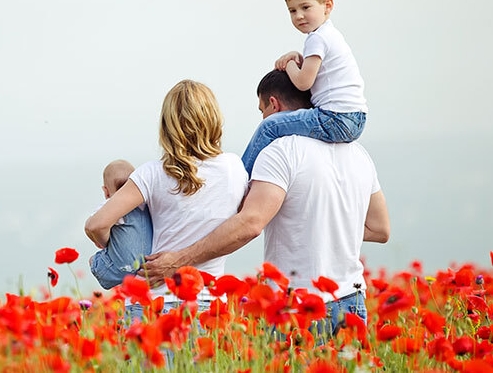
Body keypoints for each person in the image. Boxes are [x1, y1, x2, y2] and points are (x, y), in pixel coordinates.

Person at [144, 70, 390, 333]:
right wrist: (326, 227)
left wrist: (179, 259)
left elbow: (249, 223)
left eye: (261, 110)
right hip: (352, 304)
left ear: (274, 104)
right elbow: (380, 229)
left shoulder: (280, 151)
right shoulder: (358, 154)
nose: (262, 118)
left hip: (297, 308)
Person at [84, 79, 248, 320]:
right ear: (214, 119)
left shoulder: (152, 173)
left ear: (167, 125)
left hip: (156, 306)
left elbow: (95, 225)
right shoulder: (235, 168)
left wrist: (108, 245)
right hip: (210, 307)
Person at [242, 0, 368, 176]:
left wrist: (290, 63)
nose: (298, 15)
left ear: (327, 6)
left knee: (269, 126)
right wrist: (298, 58)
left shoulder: (317, 38)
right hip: (356, 117)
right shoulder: (331, 35)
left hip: (335, 117)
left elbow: (303, 82)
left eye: (305, 7)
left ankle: (240, 180)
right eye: (292, 10)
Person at [88, 159, 153, 290]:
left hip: (122, 267)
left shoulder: (111, 206)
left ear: (106, 191)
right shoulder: (144, 204)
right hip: (147, 264)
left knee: (92, 260)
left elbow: (94, 226)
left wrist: (104, 242)